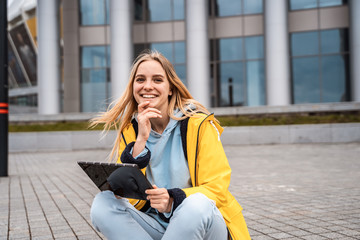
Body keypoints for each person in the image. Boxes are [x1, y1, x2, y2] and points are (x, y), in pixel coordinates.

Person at [89, 50, 251, 240]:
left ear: (171, 88)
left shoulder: (198, 124)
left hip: (205, 224)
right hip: (159, 226)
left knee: (196, 203)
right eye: (140, 80)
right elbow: (131, 200)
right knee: (103, 203)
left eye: (157, 80)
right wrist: (141, 140)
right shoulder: (131, 130)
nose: (147, 86)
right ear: (133, 87)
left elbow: (217, 189)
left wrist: (172, 199)